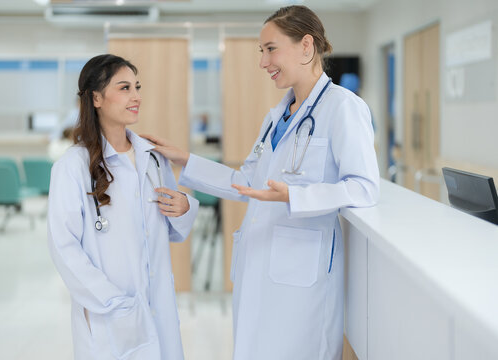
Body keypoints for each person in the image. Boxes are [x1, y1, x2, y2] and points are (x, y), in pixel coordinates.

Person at [143, 5, 379, 360]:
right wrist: (184, 159)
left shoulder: (343, 108)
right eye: (261, 51)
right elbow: (246, 182)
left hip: (302, 273)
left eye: (271, 49)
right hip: (259, 262)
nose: (263, 61)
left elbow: (364, 187)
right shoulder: (275, 117)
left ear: (306, 46)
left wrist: (295, 196)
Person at [47, 54, 198, 360]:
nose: (136, 96)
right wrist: (112, 301)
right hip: (110, 313)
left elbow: (169, 230)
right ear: (97, 98)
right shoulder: (73, 167)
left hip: (158, 307)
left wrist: (185, 206)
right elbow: (63, 247)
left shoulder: (153, 158)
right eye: (125, 88)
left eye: (137, 87)